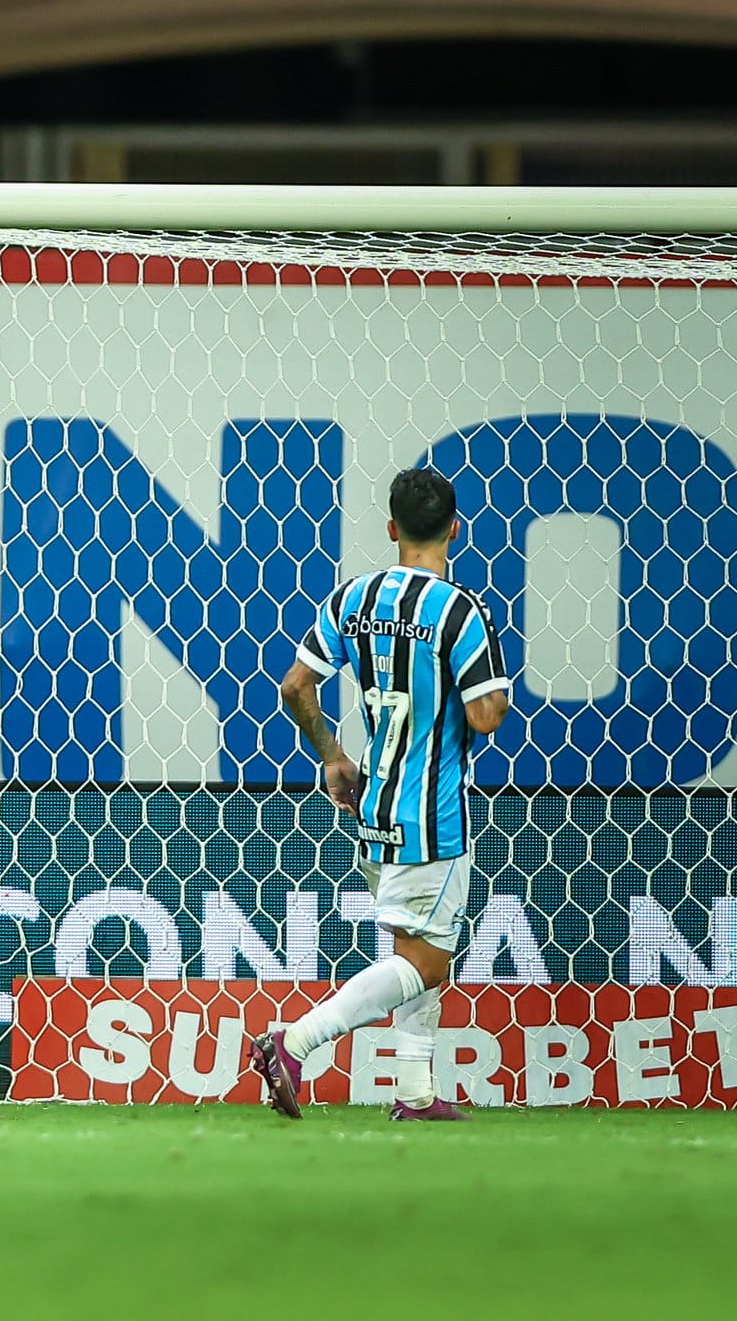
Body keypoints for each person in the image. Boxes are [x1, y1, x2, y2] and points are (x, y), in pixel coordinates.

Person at [251, 468, 509, 1121]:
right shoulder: (459, 610)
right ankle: (294, 1041)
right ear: (456, 528)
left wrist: (332, 756)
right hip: (433, 814)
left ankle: (415, 1093)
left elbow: (293, 686)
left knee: (416, 945)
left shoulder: (353, 599)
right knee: (426, 960)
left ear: (392, 528)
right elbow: (485, 716)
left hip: (371, 807)